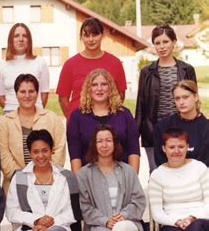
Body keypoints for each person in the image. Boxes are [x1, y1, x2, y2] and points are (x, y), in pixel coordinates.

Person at [135, 24, 197, 172]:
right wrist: (134, 135)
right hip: (153, 131)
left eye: (165, 42)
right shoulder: (146, 72)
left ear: (174, 42)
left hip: (181, 130)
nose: (161, 46)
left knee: (184, 173)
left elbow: (194, 101)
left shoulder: (187, 69)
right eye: (157, 43)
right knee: (157, 174)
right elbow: (140, 106)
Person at [0, 73, 66, 194]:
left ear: (37, 93)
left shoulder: (53, 119)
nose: (27, 96)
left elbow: (59, 152)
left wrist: (42, 177)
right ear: (16, 94)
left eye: (31, 91)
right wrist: (24, 179)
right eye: (22, 92)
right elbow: (4, 157)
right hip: (15, 186)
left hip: (49, 185)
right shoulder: (4, 123)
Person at [67, 68, 140, 173]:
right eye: (94, 85)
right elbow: (75, 155)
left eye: (104, 84)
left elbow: (134, 151)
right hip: (89, 178)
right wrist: (80, 185)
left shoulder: (124, 114)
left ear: (110, 88)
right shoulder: (77, 117)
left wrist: (132, 180)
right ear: (88, 88)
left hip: (122, 176)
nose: (99, 89)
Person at [57, 17, 126, 119]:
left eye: (95, 34)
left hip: (107, 122)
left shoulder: (115, 62)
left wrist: (109, 116)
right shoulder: (70, 64)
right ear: (81, 37)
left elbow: (121, 94)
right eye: (86, 35)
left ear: (102, 35)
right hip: (79, 121)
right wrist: (73, 119)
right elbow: (63, 98)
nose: (91, 39)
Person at [0, 23, 49, 113]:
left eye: (25, 36)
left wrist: (32, 111)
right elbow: (0, 98)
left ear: (29, 40)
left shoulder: (40, 62)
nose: (21, 39)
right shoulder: (1, 66)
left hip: (36, 114)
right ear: (10, 40)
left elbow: (44, 94)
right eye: (16, 36)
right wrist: (16, 113)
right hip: (11, 114)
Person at [154, 80, 209, 167]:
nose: (181, 102)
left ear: (196, 97)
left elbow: (204, 163)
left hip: (199, 178)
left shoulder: (206, 128)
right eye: (177, 98)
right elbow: (160, 160)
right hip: (169, 177)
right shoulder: (162, 126)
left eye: (185, 97)